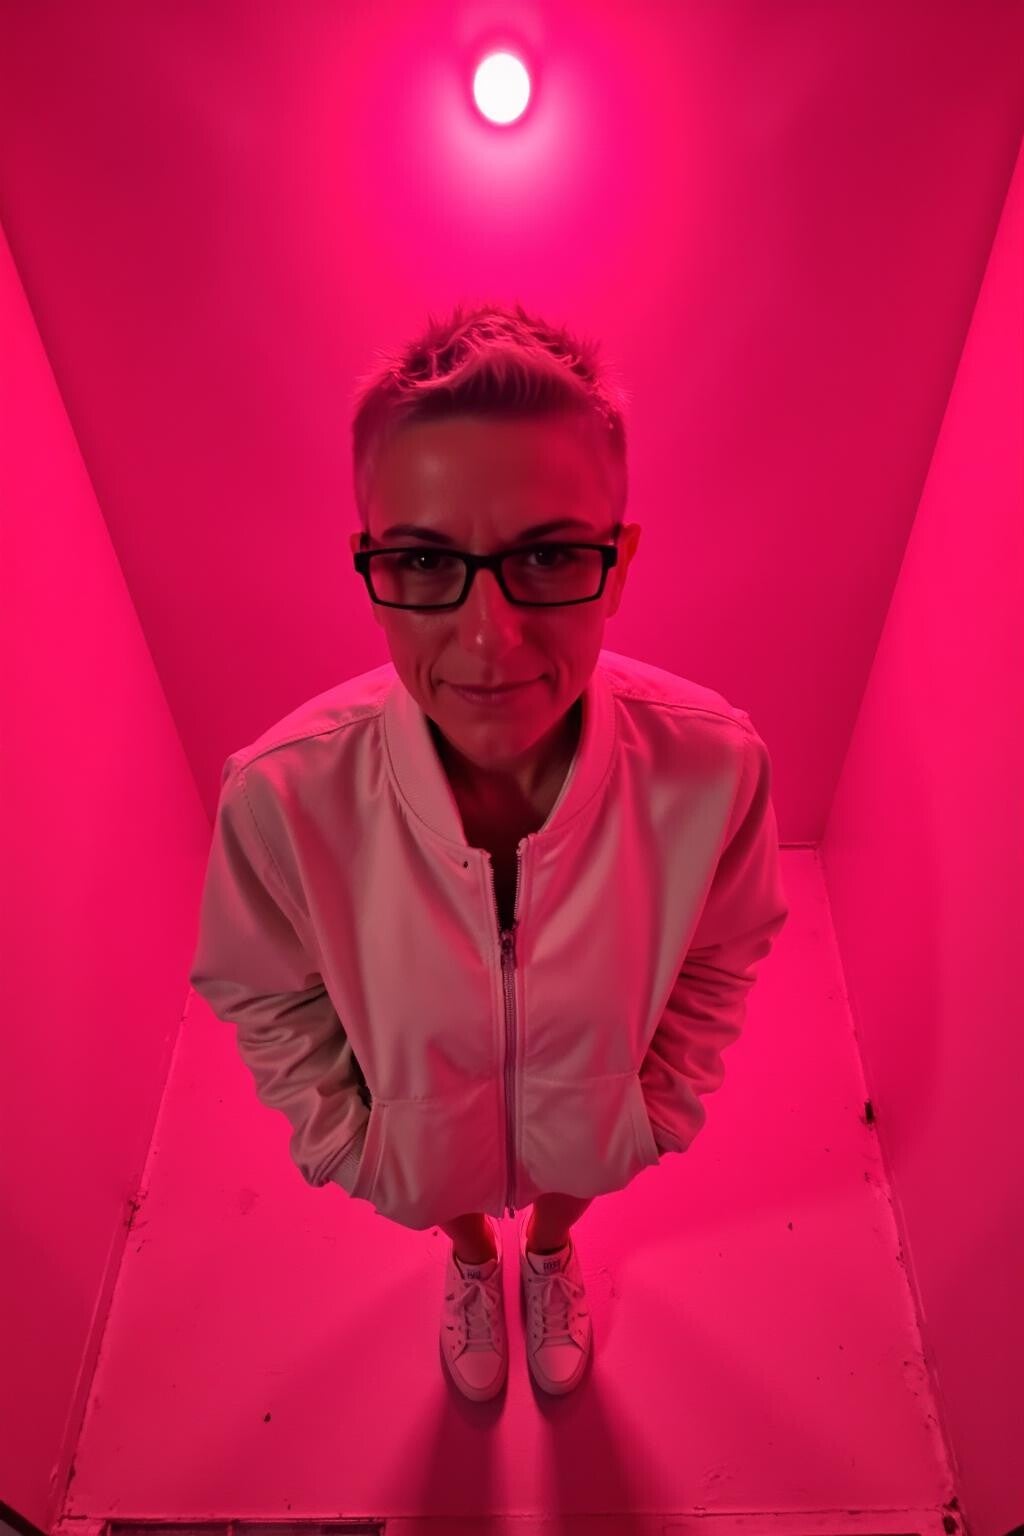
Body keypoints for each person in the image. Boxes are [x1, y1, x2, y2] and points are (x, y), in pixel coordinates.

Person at [189, 300, 789, 1397]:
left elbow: (722, 950)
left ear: (618, 561)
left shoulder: (714, 770)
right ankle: (471, 1258)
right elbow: (266, 993)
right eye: (425, 561)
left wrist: (650, 1114)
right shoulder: (280, 798)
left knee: (574, 1164)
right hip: (420, 1150)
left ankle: (549, 1250)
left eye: (548, 555)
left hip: (595, 1122)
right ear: (370, 564)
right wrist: (359, 1151)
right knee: (446, 1189)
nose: (487, 636)